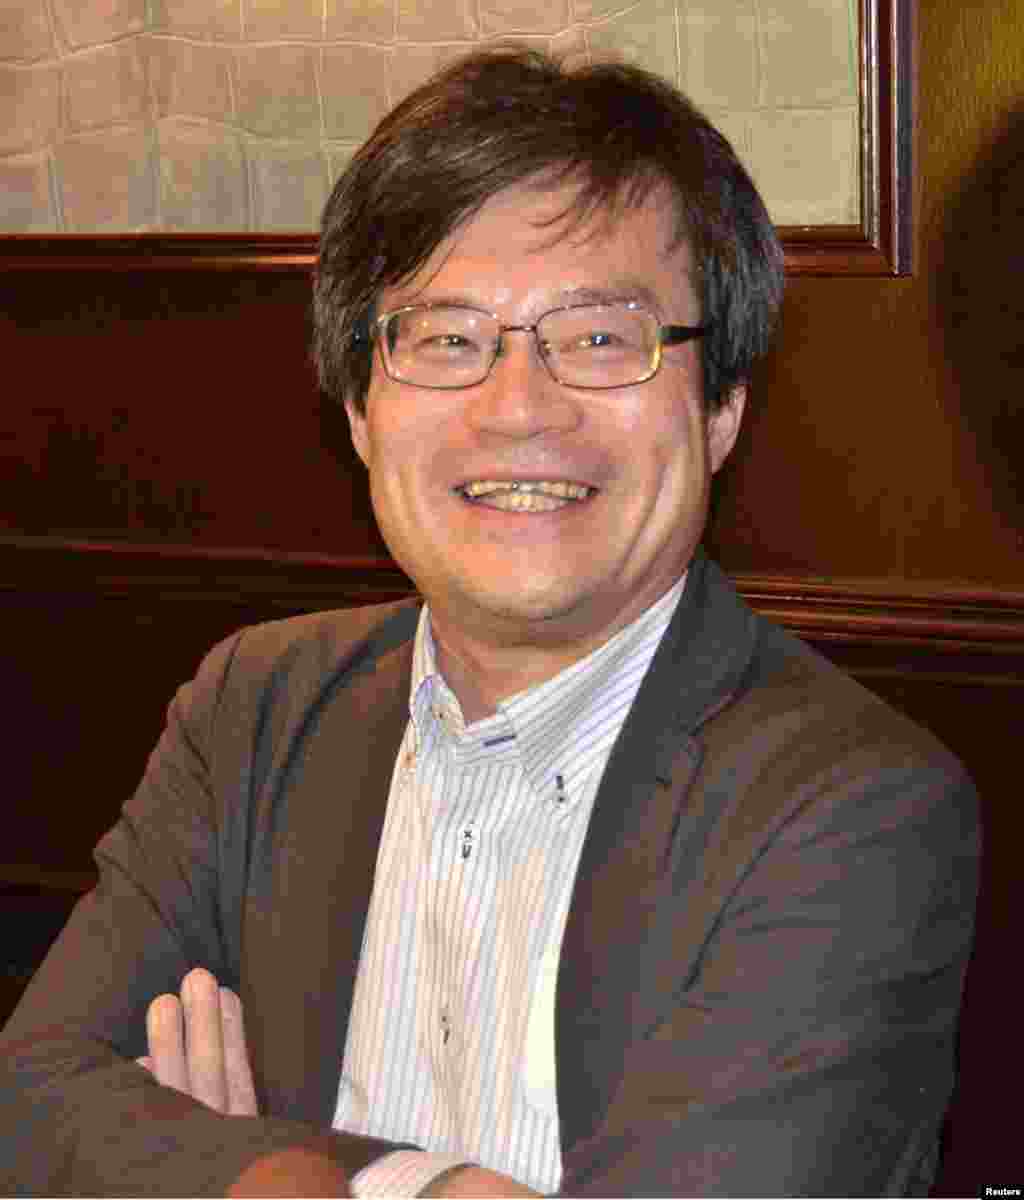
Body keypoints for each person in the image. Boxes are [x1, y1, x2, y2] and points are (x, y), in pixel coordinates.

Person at [0, 45, 979, 1198]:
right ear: (359, 408)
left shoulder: (850, 809)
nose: (518, 407)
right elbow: (30, 1098)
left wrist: (224, 1165)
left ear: (720, 407)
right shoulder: (256, 707)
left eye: (602, 337)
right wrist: (415, 1185)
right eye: (447, 339)